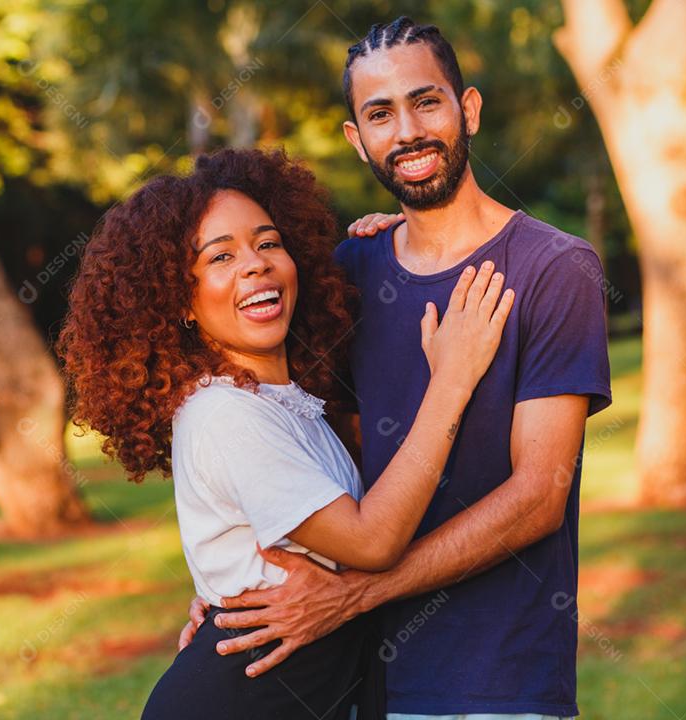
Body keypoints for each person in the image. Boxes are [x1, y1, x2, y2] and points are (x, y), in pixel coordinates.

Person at [184, 16, 613, 720]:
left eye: (427, 102)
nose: (408, 132)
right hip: (358, 677)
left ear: (467, 108)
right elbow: (313, 459)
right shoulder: (348, 274)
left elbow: (540, 495)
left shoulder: (552, 269)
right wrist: (227, 575)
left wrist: (362, 590)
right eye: (380, 114)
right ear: (358, 139)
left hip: (495, 680)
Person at [56, 146, 515, 719]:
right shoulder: (225, 413)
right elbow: (372, 542)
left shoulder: (288, 407)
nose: (255, 264)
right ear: (181, 302)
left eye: (268, 242)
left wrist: (399, 238)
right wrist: (453, 380)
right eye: (220, 257)